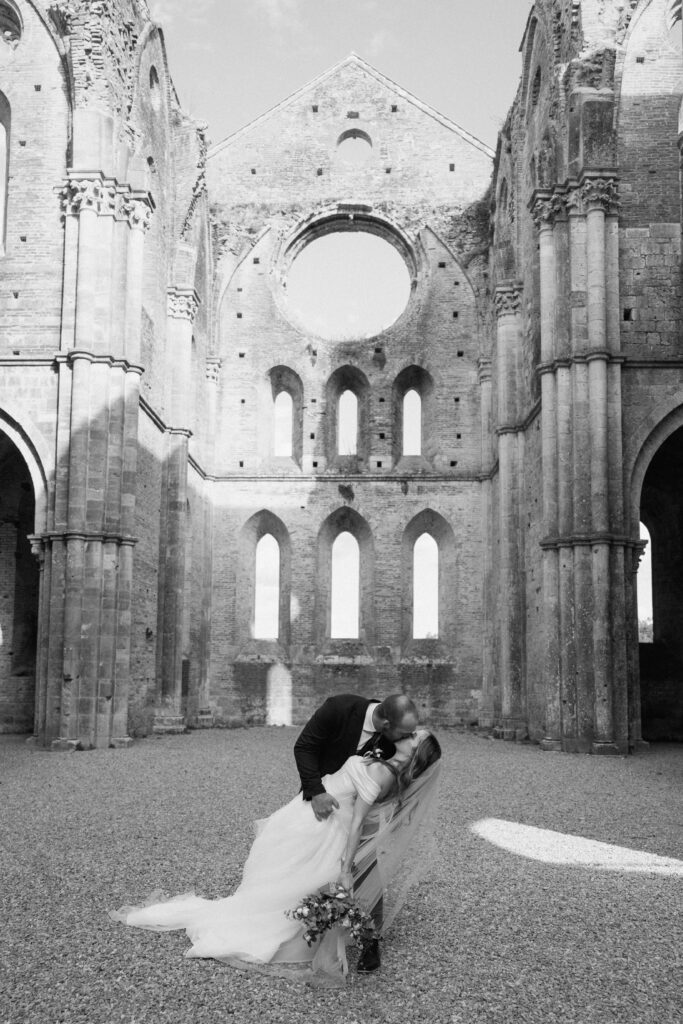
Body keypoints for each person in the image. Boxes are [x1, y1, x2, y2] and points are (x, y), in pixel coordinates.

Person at [109, 725, 442, 985]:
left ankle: (343, 933)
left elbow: (358, 823)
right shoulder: (385, 762)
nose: (409, 734)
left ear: (418, 754)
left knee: (302, 875)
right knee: (290, 873)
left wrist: (345, 864)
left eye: (416, 737)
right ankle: (352, 933)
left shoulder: (384, 773)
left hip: (327, 824)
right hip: (319, 815)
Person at [293, 691, 421, 972]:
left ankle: (369, 940)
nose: (411, 737)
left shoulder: (395, 741)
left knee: (365, 867)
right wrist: (316, 792)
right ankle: (304, 922)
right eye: (407, 732)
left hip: (360, 813)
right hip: (324, 802)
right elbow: (304, 747)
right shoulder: (338, 708)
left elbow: (392, 777)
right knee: (310, 864)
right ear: (386, 724)